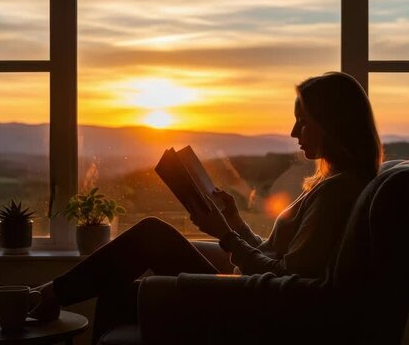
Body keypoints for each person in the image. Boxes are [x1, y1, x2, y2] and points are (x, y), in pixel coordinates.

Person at [23, 71, 383, 338]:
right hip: (249, 293)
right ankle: (52, 294)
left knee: (151, 237)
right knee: (122, 284)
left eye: (303, 122)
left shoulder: (338, 193)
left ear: (334, 125)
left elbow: (288, 279)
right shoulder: (332, 183)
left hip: (252, 310)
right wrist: (236, 222)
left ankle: (48, 295)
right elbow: (278, 257)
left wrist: (226, 236)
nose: (293, 133)